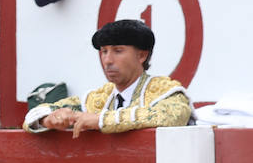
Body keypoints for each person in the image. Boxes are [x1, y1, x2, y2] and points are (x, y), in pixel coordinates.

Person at [24, 19, 193, 135]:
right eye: (104, 52)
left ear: (141, 56)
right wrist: (49, 119)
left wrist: (100, 120)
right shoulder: (98, 98)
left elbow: (172, 115)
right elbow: (34, 115)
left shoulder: (165, 92)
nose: (107, 60)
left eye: (118, 51)